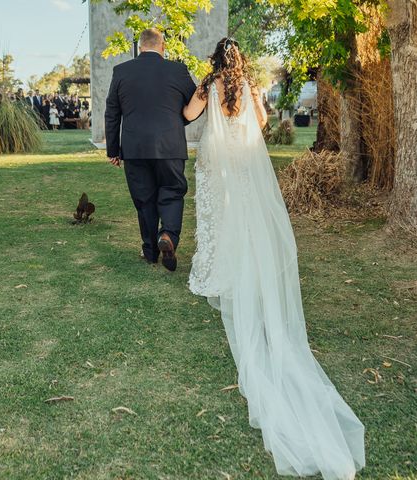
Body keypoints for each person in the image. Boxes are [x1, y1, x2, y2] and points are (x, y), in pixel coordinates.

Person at [182, 37, 366, 480]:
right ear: (240, 60)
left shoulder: (208, 86)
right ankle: (241, 263)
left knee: (219, 219)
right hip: (243, 163)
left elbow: (189, 116)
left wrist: (201, 96)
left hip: (216, 163)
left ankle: (217, 270)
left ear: (214, 61)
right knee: (244, 219)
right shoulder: (248, 86)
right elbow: (262, 122)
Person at [105, 27, 197, 270]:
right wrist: (176, 123)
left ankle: (150, 251)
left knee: (144, 199)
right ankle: (167, 235)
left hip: (134, 147)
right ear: (162, 46)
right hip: (170, 145)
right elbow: (194, 104)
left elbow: (112, 113)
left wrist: (113, 150)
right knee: (172, 192)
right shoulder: (177, 70)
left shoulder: (121, 71)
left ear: (139, 46)